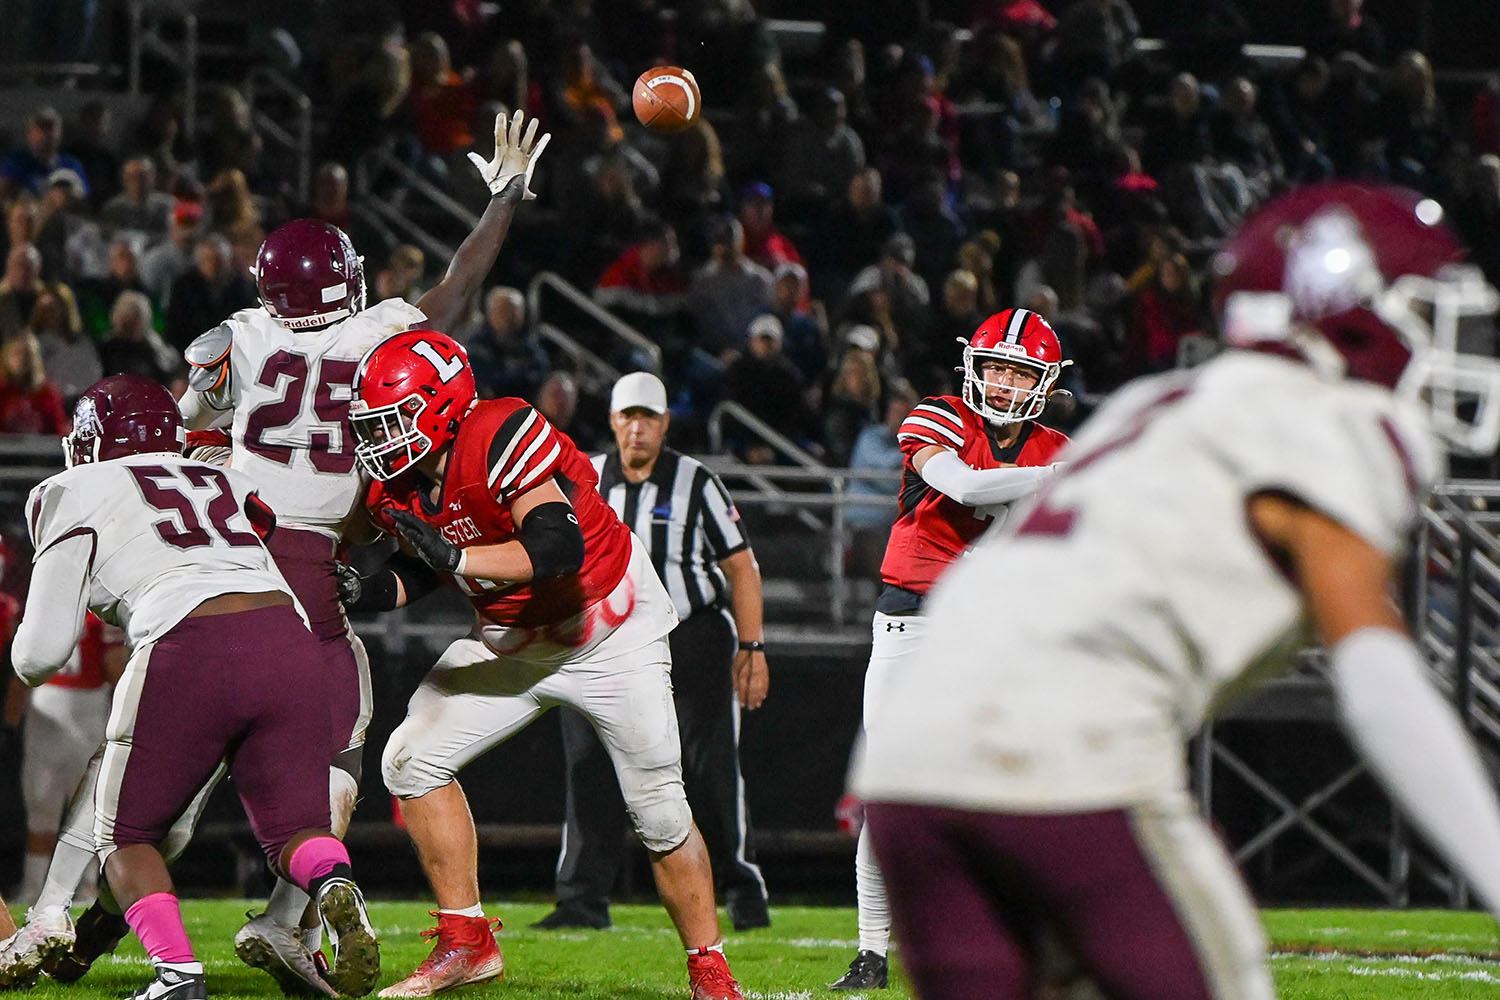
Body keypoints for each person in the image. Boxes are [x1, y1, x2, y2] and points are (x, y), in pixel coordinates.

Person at [851, 184, 1500, 999]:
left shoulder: (1150, 404)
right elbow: (1378, 683)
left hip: (907, 760)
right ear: (1351, 318)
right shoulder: (1336, 426)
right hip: (1061, 752)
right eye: (1428, 309)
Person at [169, 109, 550, 996]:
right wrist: (504, 201)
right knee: (338, 744)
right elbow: (455, 290)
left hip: (227, 562)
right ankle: (290, 912)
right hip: (318, 571)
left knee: (178, 750)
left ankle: (90, 909)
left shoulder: (240, 333)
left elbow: (173, 427)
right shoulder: (376, 329)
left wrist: (213, 455)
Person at [339, 332, 745, 1000]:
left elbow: (556, 545)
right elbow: (423, 562)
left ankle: (710, 970)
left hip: (607, 625)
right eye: (371, 425)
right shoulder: (397, 485)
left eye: (391, 420)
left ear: (440, 406)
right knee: (409, 761)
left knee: (661, 813)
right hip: (514, 638)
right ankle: (467, 941)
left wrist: (455, 561)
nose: (378, 439)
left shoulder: (500, 430)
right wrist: (366, 591)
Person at [9, 375, 380, 1000]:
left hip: (190, 644)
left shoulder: (72, 488)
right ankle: (334, 886)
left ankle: (177, 977)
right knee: (295, 831)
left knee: (124, 836)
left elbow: (39, 655)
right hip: (290, 640)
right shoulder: (225, 480)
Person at [832, 308, 1071, 990]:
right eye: (994, 366)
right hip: (916, 622)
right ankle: (872, 953)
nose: (1000, 383)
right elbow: (964, 485)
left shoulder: (1056, 447)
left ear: (1042, 381)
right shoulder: (938, 416)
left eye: (1017, 371)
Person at [533, 372, 772, 933]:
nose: (637, 429)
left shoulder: (697, 481)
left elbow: (742, 566)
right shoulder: (583, 476)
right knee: (588, 766)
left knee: (710, 768)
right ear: (613, 421)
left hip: (689, 637)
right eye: (627, 417)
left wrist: (752, 645)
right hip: (602, 640)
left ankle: (741, 887)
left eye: (649, 418)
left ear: (665, 424)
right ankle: (581, 899)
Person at [14, 615, 124, 905]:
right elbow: (115, 666)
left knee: (49, 808)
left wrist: (10, 719)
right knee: (77, 806)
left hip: (60, 706)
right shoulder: (100, 611)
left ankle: (45, 886)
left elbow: (21, 666)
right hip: (74, 711)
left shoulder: (46, 605)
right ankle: (70, 886)